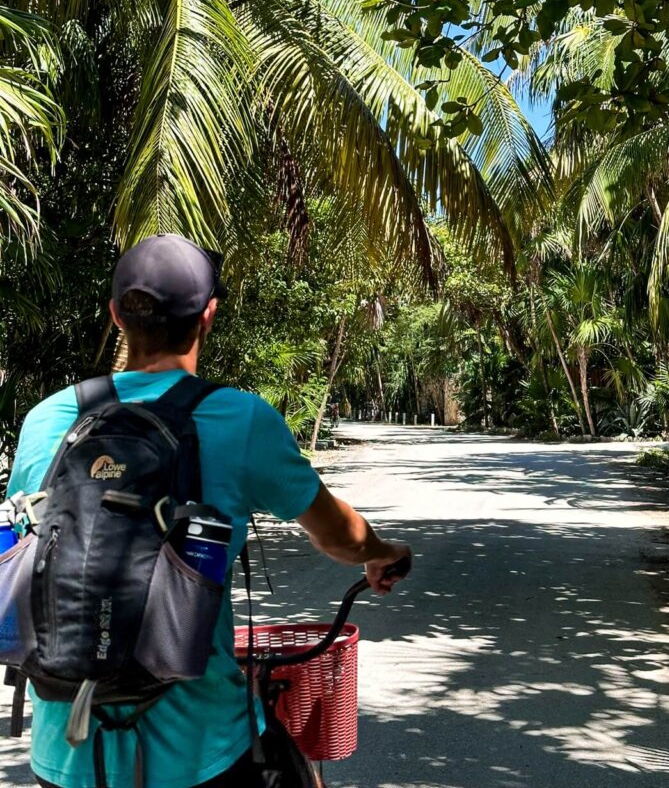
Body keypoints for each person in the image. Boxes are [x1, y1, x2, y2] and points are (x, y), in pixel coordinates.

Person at [7, 233, 411, 788]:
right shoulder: (239, 419)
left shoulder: (47, 419)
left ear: (117, 315)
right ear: (208, 316)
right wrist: (384, 553)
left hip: (67, 756)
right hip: (201, 754)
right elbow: (338, 536)